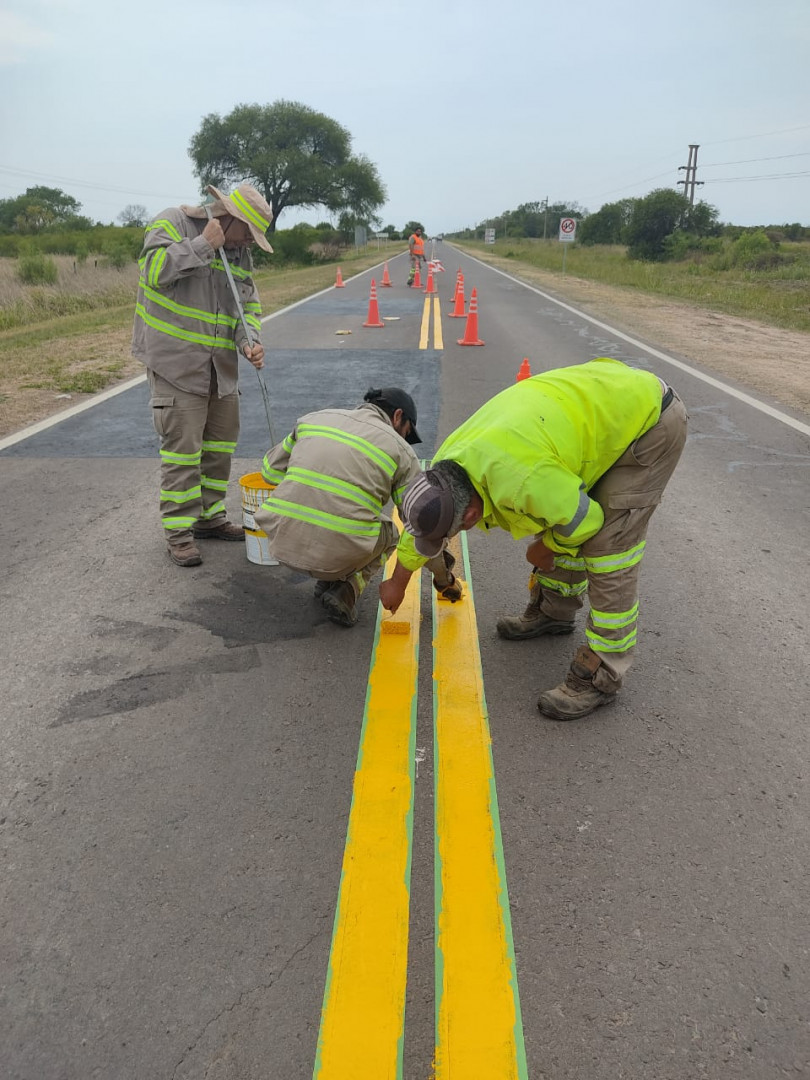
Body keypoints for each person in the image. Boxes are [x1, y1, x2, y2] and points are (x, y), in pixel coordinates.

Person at [380, 358, 688, 720]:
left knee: (608, 547)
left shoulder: (522, 479)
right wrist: (397, 582)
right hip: (592, 413)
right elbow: (423, 530)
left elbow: (586, 520)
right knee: (556, 511)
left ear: (470, 516)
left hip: (649, 423)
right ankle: (555, 613)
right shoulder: (450, 465)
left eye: (453, 533)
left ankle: (603, 672)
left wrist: (545, 549)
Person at [132, 182, 274, 567]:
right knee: (182, 454)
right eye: (247, 232)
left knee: (220, 448)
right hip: (176, 367)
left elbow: (247, 305)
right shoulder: (174, 223)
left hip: (220, 369)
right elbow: (152, 271)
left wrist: (249, 341)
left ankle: (210, 518)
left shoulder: (239, 254)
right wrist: (203, 245)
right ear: (231, 217)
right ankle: (179, 534)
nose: (247, 243)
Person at [253, 388, 462, 627]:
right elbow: (422, 524)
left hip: (282, 546)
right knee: (391, 534)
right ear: (397, 416)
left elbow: (269, 472)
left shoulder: (312, 420)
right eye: (407, 432)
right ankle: (347, 590)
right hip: (332, 555)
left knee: (343, 517)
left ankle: (329, 578)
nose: (405, 439)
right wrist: (444, 579)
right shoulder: (400, 450)